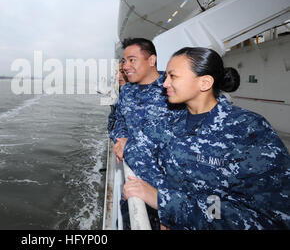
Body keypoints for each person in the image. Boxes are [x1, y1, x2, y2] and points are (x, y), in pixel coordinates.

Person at [123, 47, 290, 229]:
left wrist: (165, 202)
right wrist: (163, 194)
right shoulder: (171, 121)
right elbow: (134, 150)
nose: (164, 84)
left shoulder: (248, 130)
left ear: (204, 83)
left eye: (173, 76)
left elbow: (269, 217)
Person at [110, 38, 175, 229]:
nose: (125, 66)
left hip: (166, 188)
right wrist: (120, 138)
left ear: (151, 60)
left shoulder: (171, 89)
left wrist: (129, 145)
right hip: (134, 182)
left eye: (132, 60)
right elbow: (119, 120)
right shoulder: (127, 91)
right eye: (124, 61)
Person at [107, 62, 129, 133]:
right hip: (113, 134)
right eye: (116, 73)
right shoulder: (117, 92)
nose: (118, 76)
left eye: (122, 72)